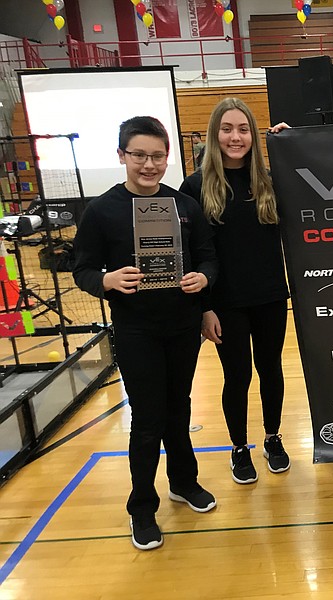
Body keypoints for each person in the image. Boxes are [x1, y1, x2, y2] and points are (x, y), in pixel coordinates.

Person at [73, 116, 218, 551]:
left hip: (183, 326)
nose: (149, 165)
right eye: (139, 155)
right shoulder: (101, 210)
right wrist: (106, 281)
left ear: (167, 157)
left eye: (157, 156)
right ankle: (142, 507)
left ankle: (184, 482)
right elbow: (81, 267)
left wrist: (203, 282)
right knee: (148, 416)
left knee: (180, 407)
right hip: (136, 329)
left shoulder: (184, 207)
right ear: (122, 156)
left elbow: (209, 258)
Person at [180, 98, 291, 485]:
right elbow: (189, 253)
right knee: (237, 375)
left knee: (271, 369)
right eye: (227, 129)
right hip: (225, 302)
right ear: (215, 135)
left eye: (243, 129)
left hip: (271, 294)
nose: (235, 137)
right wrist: (202, 309)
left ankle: (272, 438)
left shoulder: (271, 180)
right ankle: (239, 447)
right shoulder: (194, 186)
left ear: (253, 136)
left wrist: (292, 147)